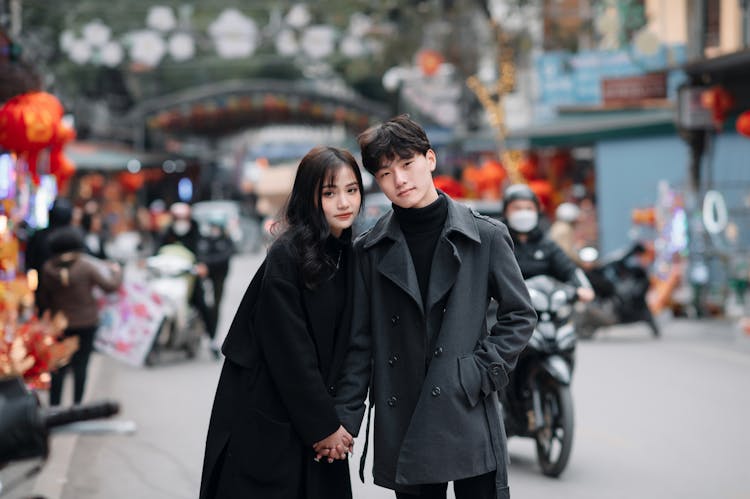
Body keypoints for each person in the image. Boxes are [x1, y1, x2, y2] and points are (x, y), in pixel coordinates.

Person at [327, 115, 537, 499]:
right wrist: (346, 418)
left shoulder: (485, 235)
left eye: (407, 165)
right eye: (386, 173)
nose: (400, 180)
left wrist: (477, 373)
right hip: (405, 407)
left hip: (466, 405)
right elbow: (361, 342)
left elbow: (520, 314)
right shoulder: (369, 251)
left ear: (430, 160)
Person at [199, 146, 363, 499]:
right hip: (270, 415)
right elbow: (291, 352)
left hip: (320, 418)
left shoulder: (350, 252)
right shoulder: (288, 255)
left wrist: (340, 423)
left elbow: (355, 345)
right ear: (309, 196)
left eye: (352, 190)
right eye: (329, 192)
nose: (344, 202)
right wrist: (325, 428)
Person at [36, 226, 123, 405]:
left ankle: (54, 407)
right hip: (86, 323)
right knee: (81, 366)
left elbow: (42, 299)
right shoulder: (85, 266)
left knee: (58, 367)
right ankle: (77, 407)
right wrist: (117, 273)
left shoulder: (47, 269)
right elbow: (110, 286)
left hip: (59, 325)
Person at [501, 184, 594, 302]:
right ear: (505, 211)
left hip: (547, 307)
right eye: (517, 208)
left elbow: (568, 268)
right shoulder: (498, 242)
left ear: (537, 211)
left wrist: (583, 288)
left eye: (529, 208)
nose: (523, 213)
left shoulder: (546, 244)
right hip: (507, 309)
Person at [157, 202, 216, 353]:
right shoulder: (168, 231)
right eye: (178, 218)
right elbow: (157, 250)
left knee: (202, 304)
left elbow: (203, 250)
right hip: (171, 277)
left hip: (190, 278)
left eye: (183, 218)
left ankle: (212, 340)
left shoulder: (196, 230)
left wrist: (201, 265)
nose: (181, 221)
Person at [196, 215, 235, 350]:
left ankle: (212, 331)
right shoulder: (205, 239)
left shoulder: (226, 240)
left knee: (216, 305)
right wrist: (203, 265)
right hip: (203, 274)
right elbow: (200, 253)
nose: (214, 230)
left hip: (219, 275)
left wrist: (208, 264)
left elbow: (225, 256)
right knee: (201, 301)